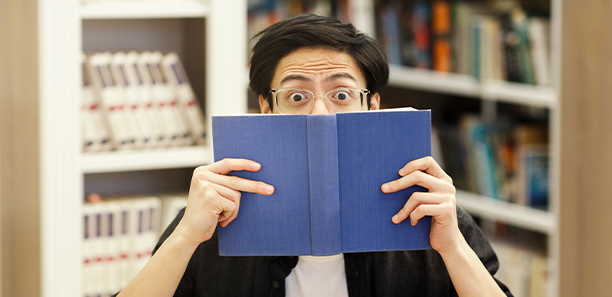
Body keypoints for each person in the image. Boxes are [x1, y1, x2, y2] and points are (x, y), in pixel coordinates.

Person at [115, 14, 513, 297]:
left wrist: (453, 247)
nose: (320, 113)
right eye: (297, 96)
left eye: (341, 95)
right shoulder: (214, 213)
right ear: (266, 109)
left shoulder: (425, 204)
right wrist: (186, 235)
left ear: (372, 105)